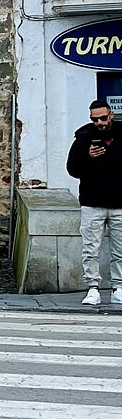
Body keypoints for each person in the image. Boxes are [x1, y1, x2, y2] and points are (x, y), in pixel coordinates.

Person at [66, 99, 122, 306]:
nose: (99, 122)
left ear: (111, 115)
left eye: (103, 118)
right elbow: (72, 169)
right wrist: (87, 157)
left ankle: (118, 287)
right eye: (94, 119)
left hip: (119, 202)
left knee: (120, 250)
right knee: (91, 249)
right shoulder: (83, 138)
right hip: (92, 202)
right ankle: (93, 288)